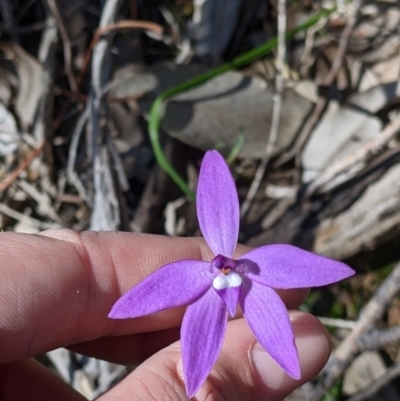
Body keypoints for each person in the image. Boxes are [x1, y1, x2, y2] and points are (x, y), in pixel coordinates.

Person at [0, 229, 331, 400]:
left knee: (281, 348)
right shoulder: (200, 280)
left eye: (225, 266)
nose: (224, 267)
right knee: (196, 363)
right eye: (221, 266)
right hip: (220, 293)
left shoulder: (257, 280)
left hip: (259, 290)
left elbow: (309, 268)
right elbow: (142, 299)